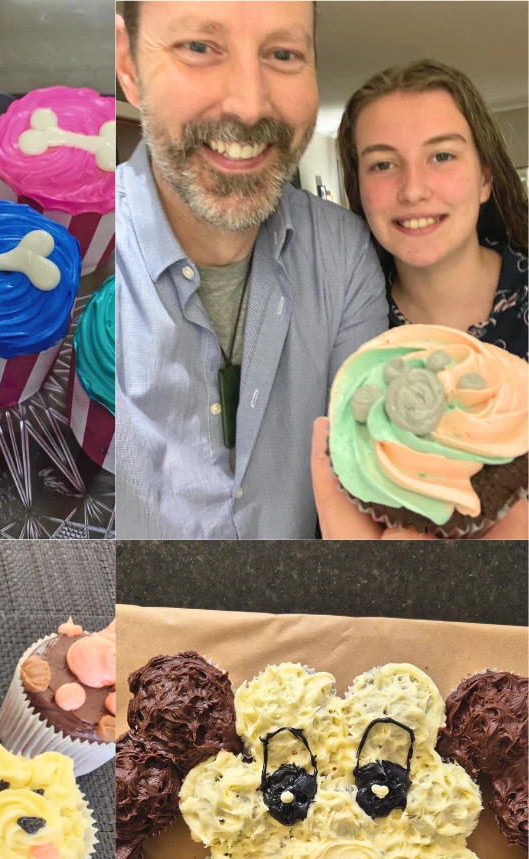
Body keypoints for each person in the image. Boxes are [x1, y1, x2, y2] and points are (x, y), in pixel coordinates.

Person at [115, 0, 389, 539]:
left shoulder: (344, 250)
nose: (247, 104)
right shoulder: (82, 261)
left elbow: (367, 482)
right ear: (128, 63)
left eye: (283, 54)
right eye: (198, 47)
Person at [311, 59, 528, 539]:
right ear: (359, 190)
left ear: (486, 178)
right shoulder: (341, 334)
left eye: (443, 156)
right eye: (384, 164)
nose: (412, 189)